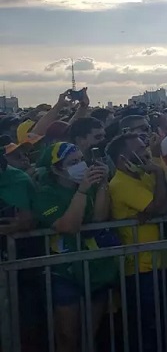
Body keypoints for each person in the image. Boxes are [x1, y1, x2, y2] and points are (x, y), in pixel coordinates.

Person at [32, 142, 115, 352]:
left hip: (95, 268)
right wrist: (83, 190)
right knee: (67, 336)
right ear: (56, 169)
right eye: (73, 163)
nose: (81, 166)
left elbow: (99, 218)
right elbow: (68, 226)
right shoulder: (45, 193)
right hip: (64, 272)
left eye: (81, 160)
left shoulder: (91, 184)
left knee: (91, 334)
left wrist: (103, 183)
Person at [107, 133, 167, 351]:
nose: (145, 152)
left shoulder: (141, 175)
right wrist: (159, 175)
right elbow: (160, 207)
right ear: (123, 159)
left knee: (161, 324)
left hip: (157, 261)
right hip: (140, 268)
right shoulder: (120, 184)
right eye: (140, 149)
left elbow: (163, 202)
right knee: (147, 329)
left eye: (145, 147)